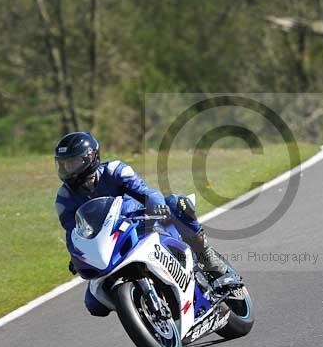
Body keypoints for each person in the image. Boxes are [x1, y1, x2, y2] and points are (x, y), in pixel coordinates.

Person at [53, 131, 239, 317]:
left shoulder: (115, 170)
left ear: (91, 157)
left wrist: (157, 206)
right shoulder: (64, 199)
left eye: (73, 162)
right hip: (109, 242)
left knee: (176, 203)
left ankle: (210, 262)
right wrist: (77, 255)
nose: (68, 169)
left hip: (140, 223)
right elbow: (73, 233)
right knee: (94, 304)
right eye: (64, 164)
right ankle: (141, 310)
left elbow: (146, 192)